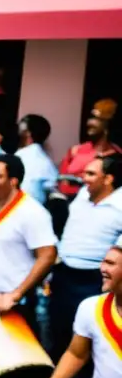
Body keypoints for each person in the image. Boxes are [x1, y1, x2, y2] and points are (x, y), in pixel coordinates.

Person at [0, 155, 57, 328]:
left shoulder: (33, 212)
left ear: (13, 181)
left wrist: (16, 294)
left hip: (12, 305)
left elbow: (48, 256)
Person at [37, 239, 122, 378]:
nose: (102, 268)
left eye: (110, 263)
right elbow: (76, 354)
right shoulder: (90, 308)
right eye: (103, 261)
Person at [50, 154, 122, 361]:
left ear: (108, 179)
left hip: (93, 280)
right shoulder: (83, 195)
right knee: (59, 333)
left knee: (88, 338)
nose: (84, 178)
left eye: (91, 174)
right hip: (64, 275)